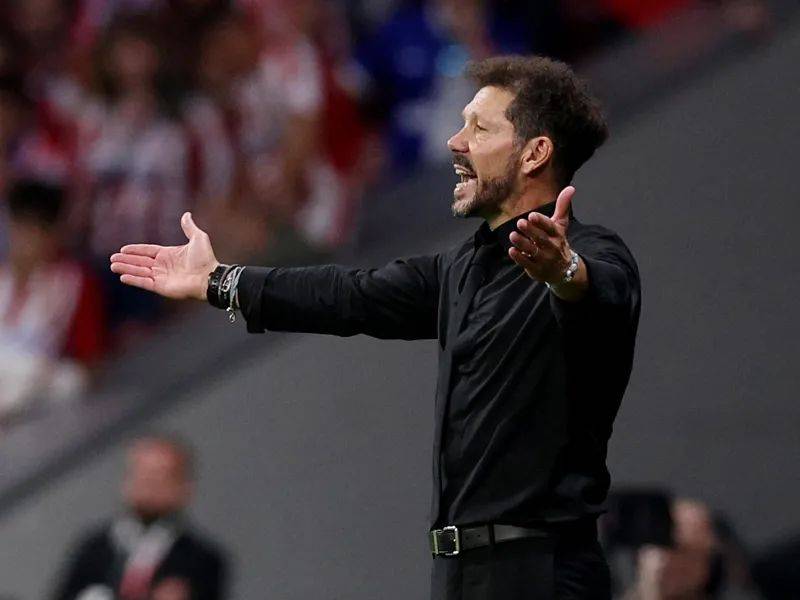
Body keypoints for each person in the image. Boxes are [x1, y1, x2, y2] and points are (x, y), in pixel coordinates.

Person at [110, 55, 641, 599]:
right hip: (461, 575)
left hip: (544, 573)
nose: (455, 142)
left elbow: (600, 293)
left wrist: (563, 272)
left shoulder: (591, 252)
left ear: (534, 153)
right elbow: (348, 294)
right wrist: (218, 281)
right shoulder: (460, 270)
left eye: (479, 129)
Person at [50, 435, 228, 600]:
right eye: (142, 475)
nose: (149, 486)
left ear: (184, 487)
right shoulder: (95, 549)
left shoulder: (200, 561)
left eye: (160, 478)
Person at [0, 179, 105, 421]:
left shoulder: (75, 282)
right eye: (19, 229)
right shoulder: (3, 278)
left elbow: (88, 364)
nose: (24, 241)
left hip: (35, 386)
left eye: (33, 231)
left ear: (53, 233)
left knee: (63, 379)